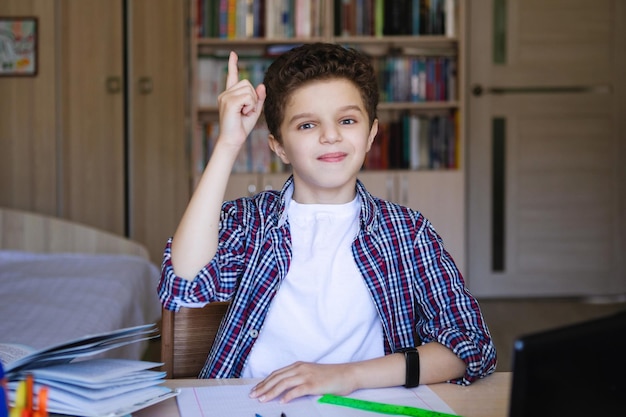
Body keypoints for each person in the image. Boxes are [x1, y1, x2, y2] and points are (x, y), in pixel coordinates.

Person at [158, 42, 497, 404]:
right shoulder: (247, 221)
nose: (330, 135)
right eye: (307, 125)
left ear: (370, 133)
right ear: (279, 146)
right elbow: (184, 286)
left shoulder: (408, 232)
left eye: (347, 120)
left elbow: (471, 344)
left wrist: (347, 375)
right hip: (251, 405)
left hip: (367, 405)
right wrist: (228, 143)